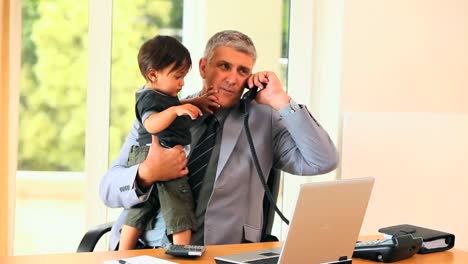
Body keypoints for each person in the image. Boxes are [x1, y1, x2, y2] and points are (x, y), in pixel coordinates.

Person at [100, 30, 339, 250]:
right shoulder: (163, 113)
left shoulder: (263, 121)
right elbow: (108, 189)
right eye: (224, 66)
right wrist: (145, 174)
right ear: (203, 67)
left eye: (242, 71)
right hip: (147, 250)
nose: (233, 79)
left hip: (221, 253)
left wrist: (280, 100)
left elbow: (322, 161)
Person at [118, 35, 219, 250]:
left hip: (145, 154)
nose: (182, 83)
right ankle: (182, 251)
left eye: (183, 76)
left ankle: (122, 252)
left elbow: (169, 105)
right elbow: (151, 124)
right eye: (177, 76)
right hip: (160, 155)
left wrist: (194, 102)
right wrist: (175, 110)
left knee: (141, 206)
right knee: (179, 201)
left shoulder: (158, 94)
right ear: (153, 74)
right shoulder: (149, 99)